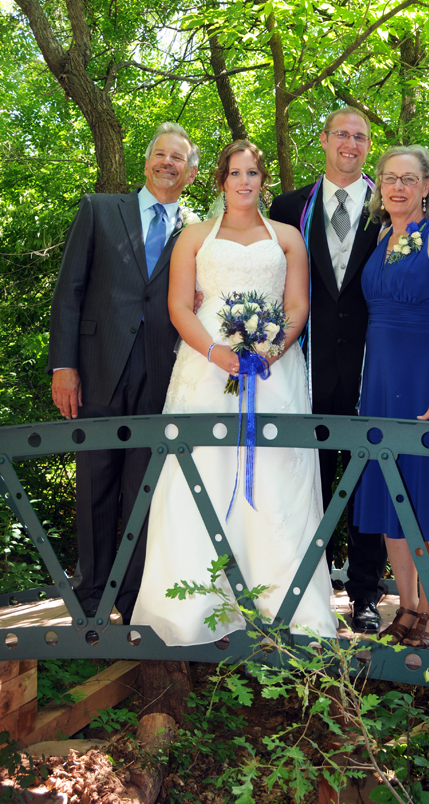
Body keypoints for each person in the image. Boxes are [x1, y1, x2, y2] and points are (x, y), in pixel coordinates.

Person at [131, 140, 338, 644]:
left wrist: (272, 350)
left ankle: (279, 603)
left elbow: (297, 307)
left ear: (263, 181)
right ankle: (195, 605)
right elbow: (179, 307)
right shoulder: (194, 237)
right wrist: (215, 353)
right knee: (200, 470)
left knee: (275, 474)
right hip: (206, 368)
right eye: (235, 173)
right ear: (221, 180)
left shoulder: (287, 236)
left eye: (253, 173)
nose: (244, 182)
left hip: (273, 371)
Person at [47, 122, 199, 623]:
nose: (168, 163)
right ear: (148, 160)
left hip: (162, 369)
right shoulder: (99, 210)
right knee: (95, 479)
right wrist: (64, 365)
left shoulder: (196, 232)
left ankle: (131, 598)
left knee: (143, 486)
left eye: (179, 158)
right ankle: (91, 596)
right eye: (162, 154)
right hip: (97, 366)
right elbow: (69, 292)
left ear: (192, 174)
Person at [270, 108, 388, 634]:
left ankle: (365, 594)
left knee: (368, 482)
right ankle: (309, 590)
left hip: (371, 366)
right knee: (309, 483)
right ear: (322, 140)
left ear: (368, 146)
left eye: (360, 137)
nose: (350, 143)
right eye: (341, 133)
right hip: (307, 367)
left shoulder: (392, 207)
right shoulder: (289, 207)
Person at [353, 146, 429, 649]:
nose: (397, 187)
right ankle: (403, 607)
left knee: (424, 493)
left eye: (408, 178)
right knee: (388, 494)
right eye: (389, 178)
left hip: (425, 381)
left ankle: (428, 611)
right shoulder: (381, 238)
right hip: (380, 383)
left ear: (426, 187)